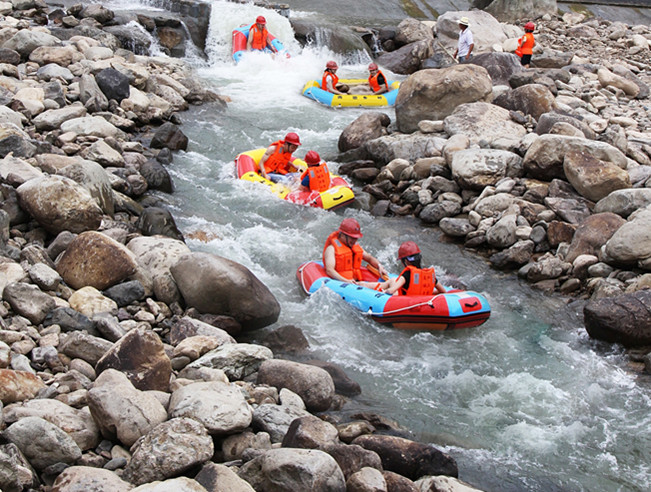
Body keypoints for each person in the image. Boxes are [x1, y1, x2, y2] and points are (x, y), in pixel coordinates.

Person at [323, 218, 388, 285]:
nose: (354, 241)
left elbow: (369, 258)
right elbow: (329, 270)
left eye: (356, 238)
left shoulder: (354, 246)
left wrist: (379, 266)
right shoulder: (331, 249)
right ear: (342, 235)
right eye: (352, 238)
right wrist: (345, 281)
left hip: (355, 282)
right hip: (340, 282)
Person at [380, 241, 447, 296]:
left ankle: (369, 287)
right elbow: (443, 291)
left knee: (391, 281)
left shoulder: (407, 274)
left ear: (405, 261)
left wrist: (383, 292)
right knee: (392, 281)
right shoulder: (430, 276)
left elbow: (391, 290)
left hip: (405, 303)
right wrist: (427, 294)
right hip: (424, 302)